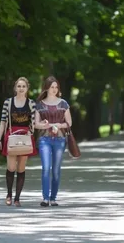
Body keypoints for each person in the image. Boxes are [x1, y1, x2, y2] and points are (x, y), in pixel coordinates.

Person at [0, 77, 36, 207]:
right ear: (15, 88)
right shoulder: (8, 102)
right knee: (11, 167)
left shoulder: (31, 103)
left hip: (25, 137)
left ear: (27, 88)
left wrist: (31, 132)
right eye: (19, 86)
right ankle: (9, 194)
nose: (21, 88)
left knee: (21, 168)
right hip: (11, 136)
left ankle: (17, 198)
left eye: (24, 86)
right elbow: (3, 122)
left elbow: (33, 122)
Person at [34, 76, 72, 207]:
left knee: (56, 169)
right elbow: (36, 124)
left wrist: (59, 125)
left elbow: (69, 123)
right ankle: (45, 198)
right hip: (44, 139)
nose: (54, 89)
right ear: (47, 88)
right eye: (52, 87)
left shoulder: (63, 104)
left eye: (56, 87)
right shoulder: (39, 105)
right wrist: (43, 125)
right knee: (46, 168)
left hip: (60, 139)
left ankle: (53, 198)